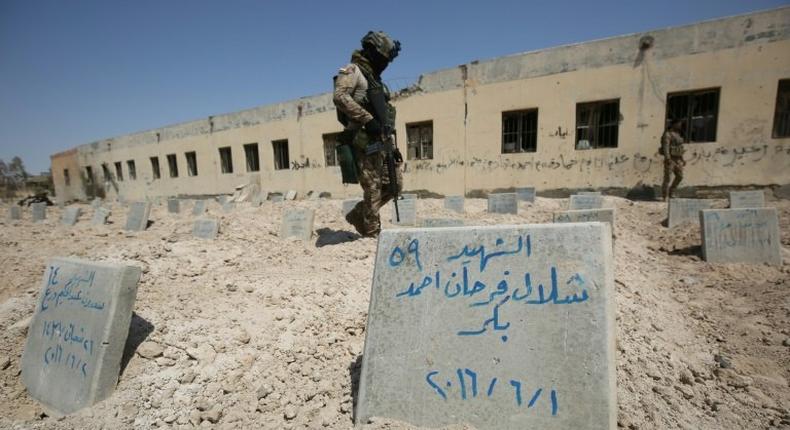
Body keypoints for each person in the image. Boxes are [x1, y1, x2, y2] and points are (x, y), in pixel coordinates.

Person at [333, 31, 403, 237]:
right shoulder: (353, 70)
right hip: (362, 140)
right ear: (372, 51)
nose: (386, 63)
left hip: (382, 141)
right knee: (372, 188)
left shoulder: (375, 79)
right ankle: (372, 233)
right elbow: (339, 97)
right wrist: (367, 119)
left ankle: (358, 214)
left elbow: (383, 114)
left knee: (394, 185)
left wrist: (391, 144)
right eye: (383, 58)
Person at [661, 119, 685, 201]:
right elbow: (666, 147)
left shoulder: (678, 135)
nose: (680, 125)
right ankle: (665, 196)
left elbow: (680, 148)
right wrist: (667, 158)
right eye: (678, 124)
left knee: (680, 176)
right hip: (671, 159)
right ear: (674, 124)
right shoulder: (668, 134)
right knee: (667, 178)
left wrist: (682, 159)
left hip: (678, 159)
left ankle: (672, 192)